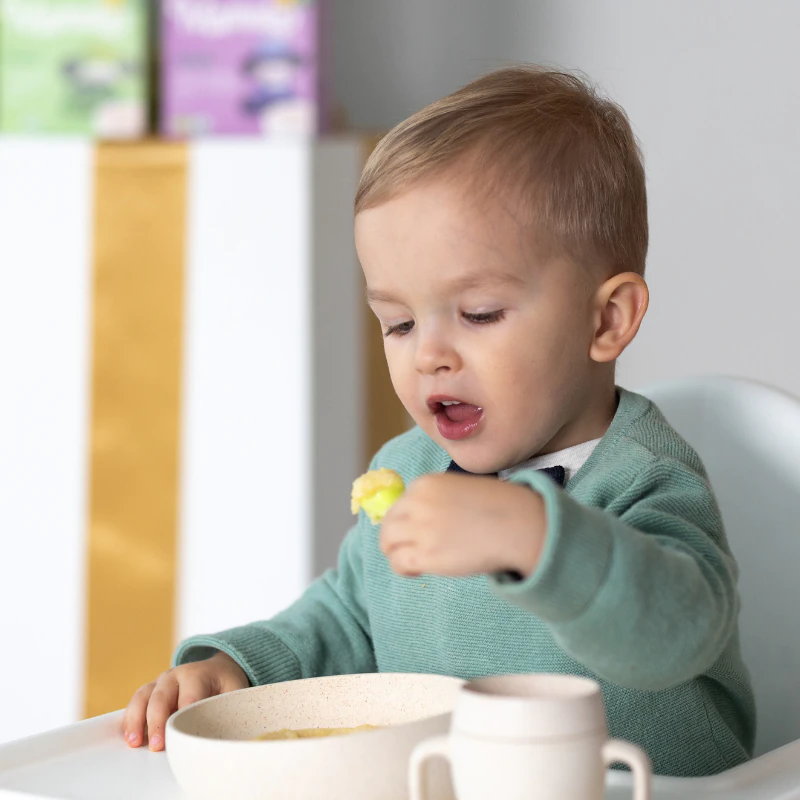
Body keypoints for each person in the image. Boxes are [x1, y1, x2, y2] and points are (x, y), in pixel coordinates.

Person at [123, 66, 754, 777]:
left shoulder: (645, 475)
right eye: (398, 323)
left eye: (478, 314)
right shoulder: (408, 472)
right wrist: (240, 667)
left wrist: (534, 536)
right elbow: (348, 618)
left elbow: (677, 632)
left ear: (607, 319)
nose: (428, 355)